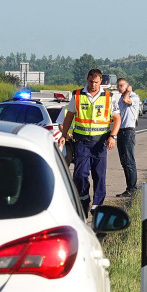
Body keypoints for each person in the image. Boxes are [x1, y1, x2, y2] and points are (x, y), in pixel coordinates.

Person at [59, 68, 121, 214]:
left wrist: (113, 136)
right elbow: (69, 116)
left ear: (101, 82)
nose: (93, 85)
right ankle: (84, 199)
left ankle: (97, 206)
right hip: (81, 142)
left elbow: (117, 118)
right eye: (91, 82)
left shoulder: (108, 97)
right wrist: (63, 134)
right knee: (80, 175)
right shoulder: (78, 95)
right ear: (87, 80)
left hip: (100, 143)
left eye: (96, 82)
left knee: (99, 176)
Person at [114, 76, 141, 197]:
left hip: (128, 132)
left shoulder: (133, 96)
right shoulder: (120, 98)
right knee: (124, 161)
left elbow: (127, 101)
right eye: (117, 86)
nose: (119, 88)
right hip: (121, 131)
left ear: (127, 86)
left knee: (129, 161)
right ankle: (129, 187)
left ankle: (133, 188)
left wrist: (128, 91)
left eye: (121, 85)